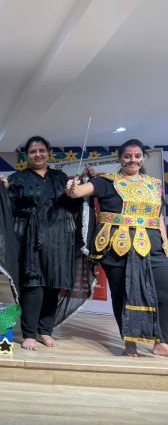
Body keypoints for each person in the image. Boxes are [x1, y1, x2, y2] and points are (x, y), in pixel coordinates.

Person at [67, 139, 168, 357]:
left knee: (165, 292)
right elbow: (77, 193)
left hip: (153, 247)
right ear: (120, 159)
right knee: (123, 294)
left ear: (142, 158)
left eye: (137, 156)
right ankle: (129, 342)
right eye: (127, 156)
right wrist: (73, 187)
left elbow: (159, 216)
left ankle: (161, 341)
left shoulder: (154, 184)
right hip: (117, 248)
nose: (133, 159)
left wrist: (166, 242)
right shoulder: (106, 182)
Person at [0, 136, 81, 351]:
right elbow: (8, 208)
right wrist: (4, 189)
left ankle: (45, 331)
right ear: (27, 155)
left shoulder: (60, 178)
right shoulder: (17, 178)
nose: (38, 154)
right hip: (28, 238)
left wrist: (75, 190)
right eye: (33, 151)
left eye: (42, 150)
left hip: (58, 239)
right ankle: (29, 334)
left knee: (53, 283)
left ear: (48, 153)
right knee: (33, 284)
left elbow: (73, 207)